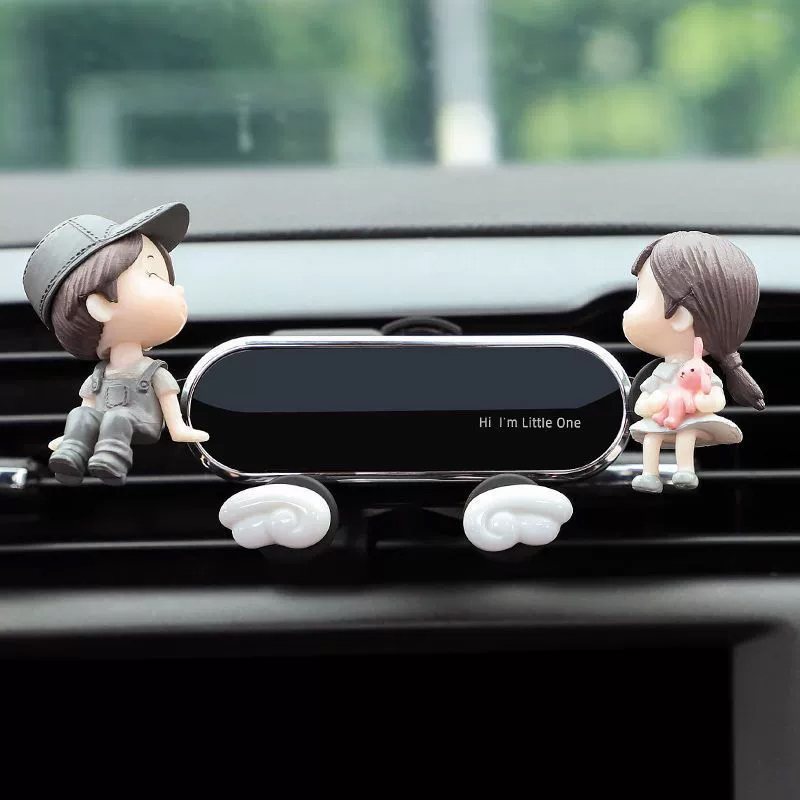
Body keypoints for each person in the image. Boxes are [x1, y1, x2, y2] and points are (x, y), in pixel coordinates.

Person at [22, 202, 209, 486]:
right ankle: (71, 456)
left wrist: (179, 429)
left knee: (118, 417)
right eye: (153, 275)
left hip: (142, 424)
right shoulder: (100, 375)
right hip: (110, 423)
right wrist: (71, 434)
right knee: (81, 414)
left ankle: (111, 460)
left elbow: (169, 401)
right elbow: (89, 404)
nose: (177, 290)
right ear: (101, 305)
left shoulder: (153, 371)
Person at [622, 231, 765, 493]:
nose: (627, 309)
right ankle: (649, 474)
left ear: (680, 316)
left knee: (686, 435)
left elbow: (715, 401)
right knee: (651, 438)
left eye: (641, 294)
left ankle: (685, 470)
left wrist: (697, 402)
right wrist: (654, 403)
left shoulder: (701, 371)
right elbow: (642, 404)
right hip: (662, 418)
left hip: (688, 421)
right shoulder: (662, 373)